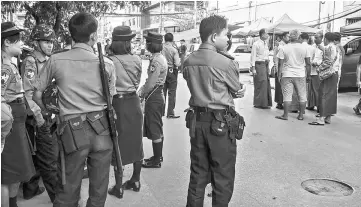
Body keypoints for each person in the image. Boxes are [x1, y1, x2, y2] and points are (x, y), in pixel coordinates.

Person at [32, 12, 116, 206]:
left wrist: (53, 112)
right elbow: (110, 99)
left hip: (71, 130)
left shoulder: (55, 60)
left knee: (67, 191)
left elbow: (37, 95)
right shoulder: (107, 64)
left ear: (71, 35)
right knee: (98, 192)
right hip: (102, 128)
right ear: (94, 36)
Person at [183, 15, 246, 207]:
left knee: (198, 174)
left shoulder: (188, 61)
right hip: (220, 124)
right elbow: (235, 89)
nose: (228, 39)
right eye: (225, 35)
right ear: (213, 37)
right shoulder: (226, 63)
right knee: (223, 176)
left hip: (197, 122)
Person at [20, 24, 58, 202]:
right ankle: (57, 198)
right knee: (47, 158)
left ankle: (31, 188)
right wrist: (39, 117)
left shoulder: (49, 60)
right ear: (36, 42)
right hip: (38, 117)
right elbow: (28, 93)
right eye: (46, 41)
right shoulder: (31, 61)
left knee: (37, 153)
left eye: (51, 41)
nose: (50, 45)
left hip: (47, 113)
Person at [1, 21, 36, 207]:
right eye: (17, 41)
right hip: (10, 125)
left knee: (14, 174)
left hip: (16, 125)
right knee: (7, 176)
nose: (21, 44)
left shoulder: (9, 64)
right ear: (6, 43)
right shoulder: (4, 68)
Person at [107, 26, 144, 196]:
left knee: (117, 143)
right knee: (137, 142)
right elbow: (137, 82)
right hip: (134, 102)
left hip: (117, 104)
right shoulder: (136, 59)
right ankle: (136, 180)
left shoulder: (108, 61)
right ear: (127, 42)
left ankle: (119, 186)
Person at [138, 32, 167, 168]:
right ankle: (157, 156)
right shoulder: (159, 57)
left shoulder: (156, 60)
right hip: (157, 94)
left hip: (154, 96)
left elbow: (151, 83)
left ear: (151, 44)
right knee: (156, 126)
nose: (146, 45)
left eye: (147, 42)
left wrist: (141, 94)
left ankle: (156, 160)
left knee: (155, 127)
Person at [275, 29, 311, 121]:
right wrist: (309, 75)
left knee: (287, 95)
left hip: (287, 74)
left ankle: (285, 115)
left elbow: (280, 63)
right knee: (302, 95)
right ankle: (301, 115)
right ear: (299, 37)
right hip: (300, 74)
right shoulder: (305, 48)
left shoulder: (284, 47)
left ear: (290, 37)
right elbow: (308, 63)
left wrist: (279, 75)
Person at [309, 32, 338, 126]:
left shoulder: (329, 48)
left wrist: (319, 69)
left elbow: (327, 62)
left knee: (323, 94)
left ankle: (321, 118)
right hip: (334, 73)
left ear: (325, 39)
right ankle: (328, 117)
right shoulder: (336, 48)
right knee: (331, 95)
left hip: (328, 74)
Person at [250, 28, 272, 109]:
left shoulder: (265, 44)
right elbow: (253, 56)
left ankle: (265, 103)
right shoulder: (256, 44)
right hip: (258, 64)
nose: (268, 35)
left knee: (266, 83)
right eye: (266, 33)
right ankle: (259, 103)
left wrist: (268, 67)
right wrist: (253, 68)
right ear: (262, 34)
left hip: (265, 64)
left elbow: (266, 55)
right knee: (260, 83)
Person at [162, 33, 181, 119]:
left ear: (164, 39)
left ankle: (161, 112)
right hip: (171, 72)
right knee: (172, 92)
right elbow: (177, 63)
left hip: (162, 71)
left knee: (162, 92)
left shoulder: (160, 48)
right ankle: (170, 113)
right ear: (172, 39)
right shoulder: (174, 50)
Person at [307, 31, 323, 111]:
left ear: (321, 38)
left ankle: (319, 107)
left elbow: (324, 59)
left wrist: (317, 63)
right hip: (311, 70)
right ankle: (311, 105)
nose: (315, 39)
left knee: (317, 90)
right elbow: (309, 58)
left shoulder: (323, 47)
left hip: (318, 71)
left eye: (317, 37)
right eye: (315, 37)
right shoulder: (312, 47)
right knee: (311, 89)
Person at [274, 32, 290, 109]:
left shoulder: (288, 45)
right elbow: (275, 58)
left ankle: (285, 102)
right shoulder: (278, 45)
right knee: (279, 87)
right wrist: (277, 69)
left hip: (287, 69)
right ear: (283, 37)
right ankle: (279, 103)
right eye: (287, 36)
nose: (289, 38)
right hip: (280, 68)